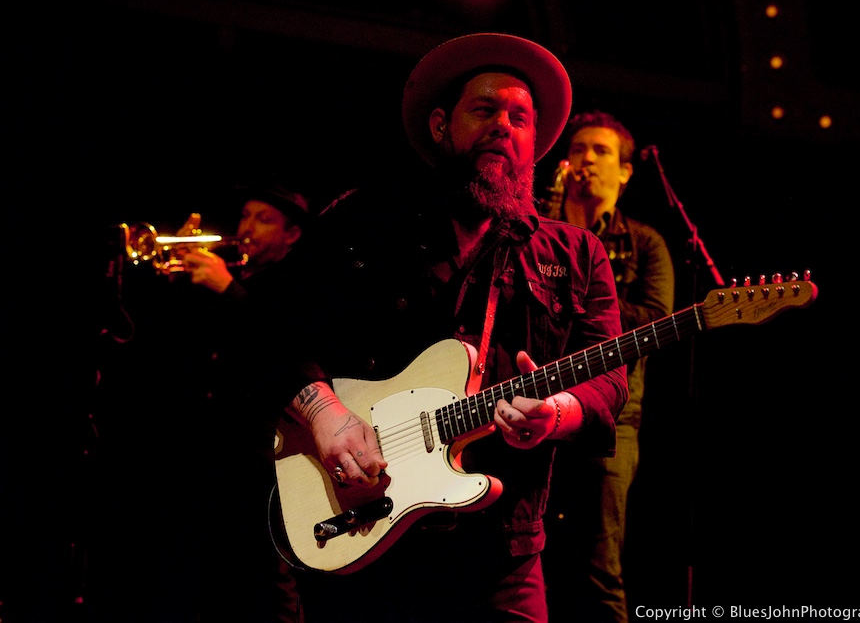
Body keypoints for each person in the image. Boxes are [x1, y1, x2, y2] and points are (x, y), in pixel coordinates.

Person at [264, 33, 629, 623]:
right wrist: (327, 417)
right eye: (484, 110)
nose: (503, 126)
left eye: (520, 117)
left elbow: (609, 376)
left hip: (503, 555)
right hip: (366, 528)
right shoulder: (365, 219)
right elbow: (274, 332)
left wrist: (556, 412)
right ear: (441, 125)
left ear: (535, 141)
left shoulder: (577, 254)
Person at [87, 180, 308, 623]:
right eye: (245, 215)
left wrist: (228, 290)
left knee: (267, 582)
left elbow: (283, 349)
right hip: (208, 452)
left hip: (266, 458)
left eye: (264, 219)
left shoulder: (297, 283)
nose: (246, 227)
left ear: (292, 235)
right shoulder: (231, 278)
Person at [540, 110, 675, 623]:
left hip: (609, 421)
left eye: (599, 152)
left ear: (624, 171)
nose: (585, 160)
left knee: (597, 569)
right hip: (524, 405)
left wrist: (583, 299)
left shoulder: (646, 243)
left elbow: (654, 320)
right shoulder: (538, 226)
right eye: (577, 150)